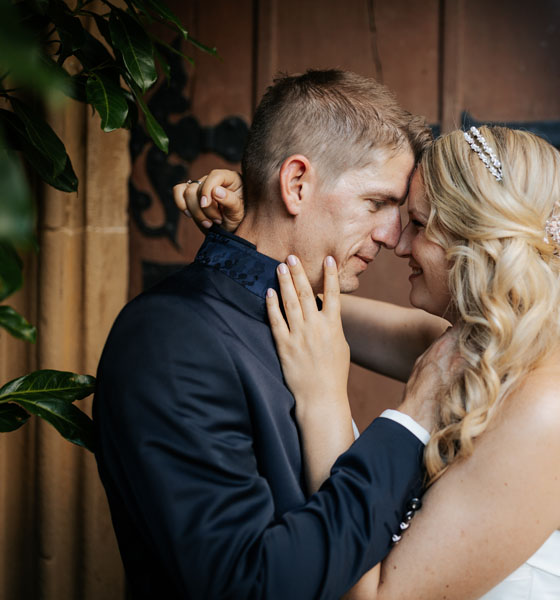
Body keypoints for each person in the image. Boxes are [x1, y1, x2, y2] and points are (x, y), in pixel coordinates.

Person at [182, 125, 560, 599]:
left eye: (420, 225)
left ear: (481, 241)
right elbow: (299, 302)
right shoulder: (467, 352)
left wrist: (323, 399)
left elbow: (372, 594)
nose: (399, 244)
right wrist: (260, 223)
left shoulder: (547, 414)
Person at [93, 70, 445, 600]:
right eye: (377, 204)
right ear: (297, 183)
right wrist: (408, 423)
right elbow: (251, 584)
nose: (393, 237)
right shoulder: (169, 340)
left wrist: (244, 254)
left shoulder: (304, 315)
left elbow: (450, 339)